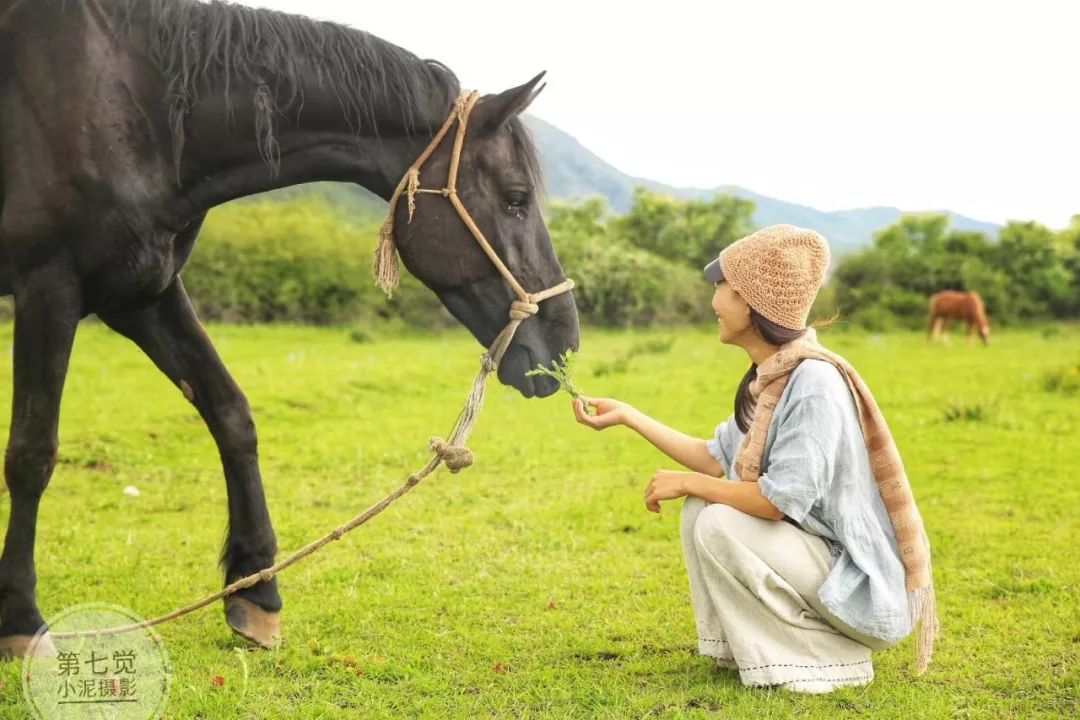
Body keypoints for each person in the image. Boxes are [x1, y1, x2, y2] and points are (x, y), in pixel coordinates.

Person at [571, 224, 938, 693]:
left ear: (749, 301)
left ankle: (829, 658)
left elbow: (776, 502)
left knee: (717, 519)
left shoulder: (813, 386)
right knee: (705, 508)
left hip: (856, 586)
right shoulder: (773, 379)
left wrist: (686, 483)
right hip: (815, 559)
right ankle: (739, 649)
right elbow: (713, 458)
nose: (714, 301)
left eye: (722, 287)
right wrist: (630, 416)